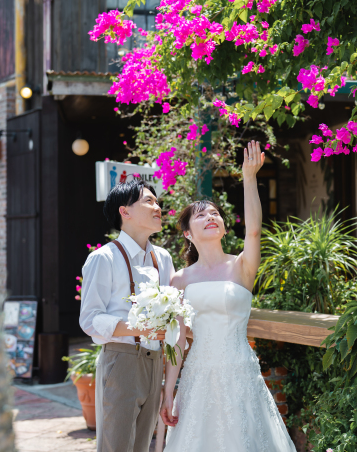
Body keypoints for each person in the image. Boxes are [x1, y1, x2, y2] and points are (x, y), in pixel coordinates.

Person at [161, 140, 296, 452]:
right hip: (198, 378)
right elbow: (177, 341)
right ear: (187, 233)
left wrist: (249, 177)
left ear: (222, 226)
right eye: (201, 215)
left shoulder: (242, 266)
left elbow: (254, 231)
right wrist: (169, 392)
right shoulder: (179, 279)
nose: (211, 217)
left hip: (240, 372)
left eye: (215, 214)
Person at [79, 180, 176, 452]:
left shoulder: (163, 258)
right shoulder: (104, 258)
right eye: (148, 201)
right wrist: (138, 328)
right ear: (125, 211)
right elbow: (90, 319)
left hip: (155, 360)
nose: (157, 207)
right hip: (121, 360)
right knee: (117, 446)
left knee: (142, 445)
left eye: (157, 202)